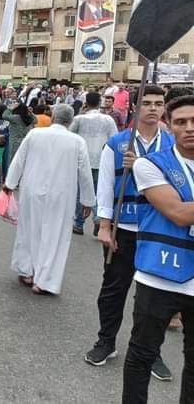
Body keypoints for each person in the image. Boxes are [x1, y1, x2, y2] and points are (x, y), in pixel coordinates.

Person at [85, 85, 173, 380]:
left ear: (164, 107)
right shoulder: (117, 143)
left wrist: (143, 165)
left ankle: (151, 352)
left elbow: (181, 183)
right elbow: (105, 186)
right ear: (134, 107)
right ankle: (106, 341)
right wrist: (104, 225)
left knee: (155, 297)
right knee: (113, 289)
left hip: (159, 228)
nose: (153, 108)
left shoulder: (172, 144)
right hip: (123, 227)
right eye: (146, 103)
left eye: (158, 103)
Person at [122, 95, 194, 402]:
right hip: (160, 274)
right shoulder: (150, 164)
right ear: (170, 126)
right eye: (181, 122)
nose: (189, 128)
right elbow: (177, 213)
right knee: (142, 355)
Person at [5, 105, 95, 295]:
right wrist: (87, 200)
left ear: (53, 117)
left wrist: (9, 184)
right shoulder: (77, 141)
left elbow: (19, 160)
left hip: (32, 189)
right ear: (70, 121)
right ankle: (44, 281)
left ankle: (27, 271)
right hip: (61, 195)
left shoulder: (35, 134)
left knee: (29, 229)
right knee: (55, 236)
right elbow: (85, 173)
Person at [70, 92, 118, 236]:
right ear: (99, 103)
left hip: (82, 160)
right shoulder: (108, 120)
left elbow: (69, 136)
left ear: (86, 102)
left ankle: (79, 223)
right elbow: (114, 139)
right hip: (102, 160)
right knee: (98, 192)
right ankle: (98, 217)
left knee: (81, 191)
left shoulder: (79, 119)